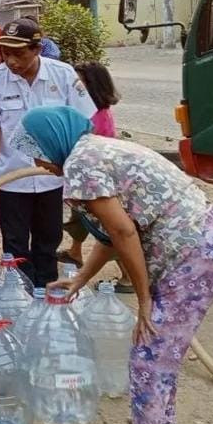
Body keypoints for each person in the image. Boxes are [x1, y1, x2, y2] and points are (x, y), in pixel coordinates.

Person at [17, 106, 213, 424]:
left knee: (148, 357)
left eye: (36, 151)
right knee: (166, 349)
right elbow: (112, 232)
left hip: (194, 253)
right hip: (208, 242)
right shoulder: (93, 151)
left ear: (52, 141)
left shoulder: (81, 163)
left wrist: (143, 299)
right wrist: (82, 278)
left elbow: (123, 231)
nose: (36, 163)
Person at [0, 18, 97, 288]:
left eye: (18, 53)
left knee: (49, 240)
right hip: (12, 179)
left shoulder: (63, 75)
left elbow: (82, 124)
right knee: (15, 246)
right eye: (5, 53)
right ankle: (21, 295)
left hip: (51, 178)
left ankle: (46, 293)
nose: (11, 61)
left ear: (37, 49)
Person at [60, 62, 120, 270]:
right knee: (81, 219)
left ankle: (127, 274)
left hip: (95, 179)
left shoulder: (96, 115)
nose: (75, 87)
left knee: (106, 227)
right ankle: (75, 252)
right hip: (87, 177)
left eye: (80, 83)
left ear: (93, 85)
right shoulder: (94, 111)